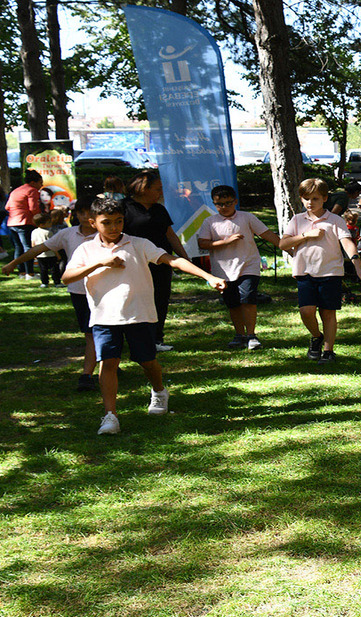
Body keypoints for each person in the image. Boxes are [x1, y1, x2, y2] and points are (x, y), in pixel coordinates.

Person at [62, 198, 225, 436]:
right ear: (93, 223)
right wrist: (99, 263)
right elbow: (67, 277)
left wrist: (208, 276)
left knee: (147, 362)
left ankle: (159, 391)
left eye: (118, 221)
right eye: (106, 222)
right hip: (104, 317)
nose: (114, 227)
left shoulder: (138, 243)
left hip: (139, 314)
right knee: (108, 363)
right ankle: (110, 416)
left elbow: (172, 260)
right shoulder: (86, 249)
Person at [4, 200, 103, 390]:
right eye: (82, 213)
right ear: (76, 215)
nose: (86, 217)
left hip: (104, 290)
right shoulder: (67, 234)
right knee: (90, 332)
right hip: (78, 291)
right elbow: (39, 249)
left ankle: (88, 374)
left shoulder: (107, 234)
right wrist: (14, 263)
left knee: (96, 332)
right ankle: (103, 363)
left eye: (90, 213)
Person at [278, 178, 361, 362]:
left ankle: (328, 351)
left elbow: (347, 243)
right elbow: (283, 244)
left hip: (330, 273)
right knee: (306, 311)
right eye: (306, 198)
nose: (310, 202)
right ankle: (316, 336)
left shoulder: (335, 220)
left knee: (328, 312)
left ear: (325, 198)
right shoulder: (297, 220)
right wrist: (305, 235)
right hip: (304, 272)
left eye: (315, 198)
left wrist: (358, 265)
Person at [197, 185, 280, 350]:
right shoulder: (210, 222)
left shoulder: (246, 217)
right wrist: (225, 242)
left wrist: (288, 248)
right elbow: (203, 243)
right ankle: (239, 335)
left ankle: (251, 335)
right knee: (232, 303)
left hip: (248, 265)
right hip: (223, 270)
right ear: (214, 204)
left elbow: (266, 234)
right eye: (219, 204)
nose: (224, 207)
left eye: (228, 203)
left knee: (248, 299)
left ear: (235, 201)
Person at [122, 171, 186, 351]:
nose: (161, 193)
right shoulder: (124, 207)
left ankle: (157, 338)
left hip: (161, 261)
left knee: (160, 298)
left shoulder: (159, 209)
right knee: (136, 300)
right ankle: (135, 337)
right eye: (158, 189)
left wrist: (184, 258)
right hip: (134, 263)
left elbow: (170, 235)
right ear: (144, 188)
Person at [3, 171, 46, 277]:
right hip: (25, 222)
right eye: (40, 183)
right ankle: (29, 273)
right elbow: (33, 208)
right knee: (27, 248)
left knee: (18, 247)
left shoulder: (16, 191)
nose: (41, 185)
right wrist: (41, 218)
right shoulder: (32, 190)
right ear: (33, 182)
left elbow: (7, 207)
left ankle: (21, 271)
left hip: (12, 222)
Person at [29, 212, 61, 286]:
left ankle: (44, 282)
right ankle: (57, 282)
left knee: (43, 270)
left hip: (40, 255)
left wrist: (34, 253)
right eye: (49, 222)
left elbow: (33, 243)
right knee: (54, 269)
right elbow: (52, 244)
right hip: (50, 254)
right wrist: (57, 254)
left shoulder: (34, 232)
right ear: (42, 224)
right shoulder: (48, 232)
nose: (51, 223)